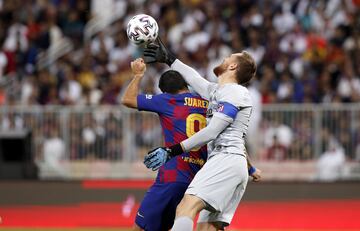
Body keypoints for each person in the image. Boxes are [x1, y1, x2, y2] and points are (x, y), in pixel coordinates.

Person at [143, 39, 258, 230]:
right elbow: (194, 79)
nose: (224, 57)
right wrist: (170, 59)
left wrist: (172, 150)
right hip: (229, 161)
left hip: (225, 160)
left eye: (228, 57)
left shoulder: (236, 92)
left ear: (232, 65)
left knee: (185, 207)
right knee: (206, 228)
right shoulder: (219, 91)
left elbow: (213, 131)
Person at [121, 58, 208, 231]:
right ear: (185, 84)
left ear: (165, 91)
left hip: (171, 177)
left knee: (140, 228)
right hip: (196, 181)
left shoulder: (168, 101)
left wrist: (138, 75)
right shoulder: (206, 103)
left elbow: (127, 99)